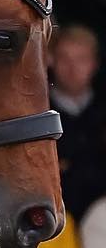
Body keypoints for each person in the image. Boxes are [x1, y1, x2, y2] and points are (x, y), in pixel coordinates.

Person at [47, 26, 106, 220]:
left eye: (81, 59)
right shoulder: (38, 115)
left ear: (94, 64)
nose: (72, 68)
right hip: (56, 222)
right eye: (65, 58)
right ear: (52, 61)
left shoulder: (101, 111)